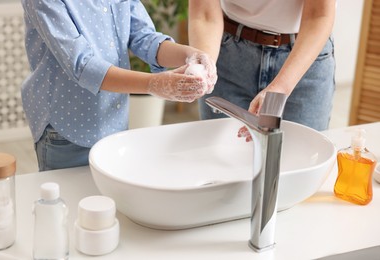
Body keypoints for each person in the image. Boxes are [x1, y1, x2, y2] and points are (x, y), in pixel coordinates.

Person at [20, 0, 217, 171]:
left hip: (114, 124)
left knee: (108, 207)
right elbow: (83, 65)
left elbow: (144, 37)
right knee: (67, 207)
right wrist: (154, 84)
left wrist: (190, 54)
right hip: (65, 131)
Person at [188, 0, 336, 139]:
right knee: (218, 159)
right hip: (229, 57)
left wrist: (281, 87)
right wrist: (204, 69)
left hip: (303, 58)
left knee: (302, 158)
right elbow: (205, 14)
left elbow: (318, 15)